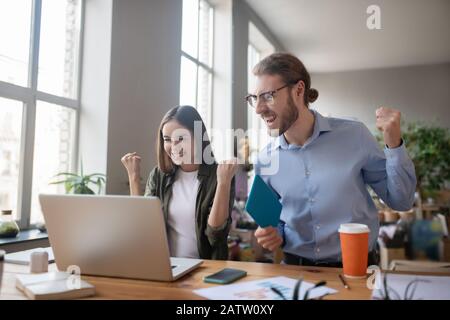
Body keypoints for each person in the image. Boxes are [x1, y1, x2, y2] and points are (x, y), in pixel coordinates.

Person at [247, 53, 416, 266]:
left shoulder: (354, 135)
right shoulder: (265, 161)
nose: (259, 109)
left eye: (268, 96)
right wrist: (273, 234)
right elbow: (275, 223)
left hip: (357, 269)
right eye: (255, 98)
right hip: (295, 272)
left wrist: (394, 144)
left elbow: (401, 200)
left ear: (299, 90)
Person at [121, 105, 238, 260]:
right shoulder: (159, 175)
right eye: (167, 140)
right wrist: (134, 178)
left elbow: (215, 235)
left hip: (207, 269)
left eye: (181, 138)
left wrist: (223, 183)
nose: (173, 146)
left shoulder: (220, 174)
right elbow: (142, 228)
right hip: (167, 267)